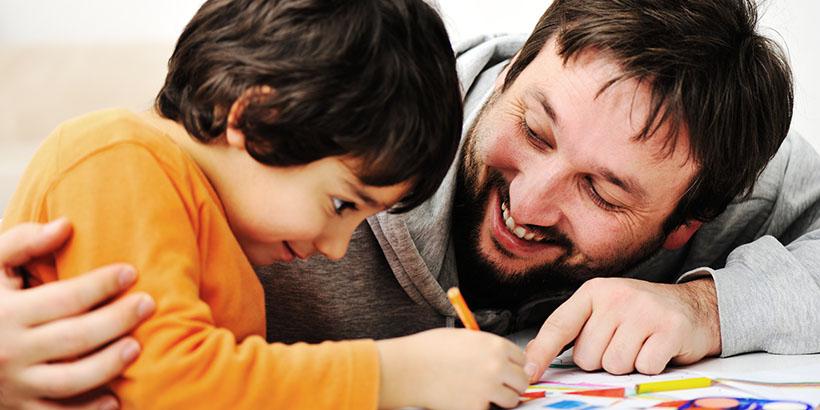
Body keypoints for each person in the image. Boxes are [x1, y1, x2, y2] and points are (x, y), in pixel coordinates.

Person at [6, 0, 820, 405]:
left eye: (604, 191)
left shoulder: (714, 157)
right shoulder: (298, 154)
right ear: (509, 71)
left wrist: (708, 309)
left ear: (687, 219)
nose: (531, 201)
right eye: (534, 130)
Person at [1, 0, 530, 409]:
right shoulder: (118, 157)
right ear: (256, 116)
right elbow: (163, 386)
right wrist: (396, 372)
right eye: (342, 204)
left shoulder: (209, 225)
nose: (337, 248)